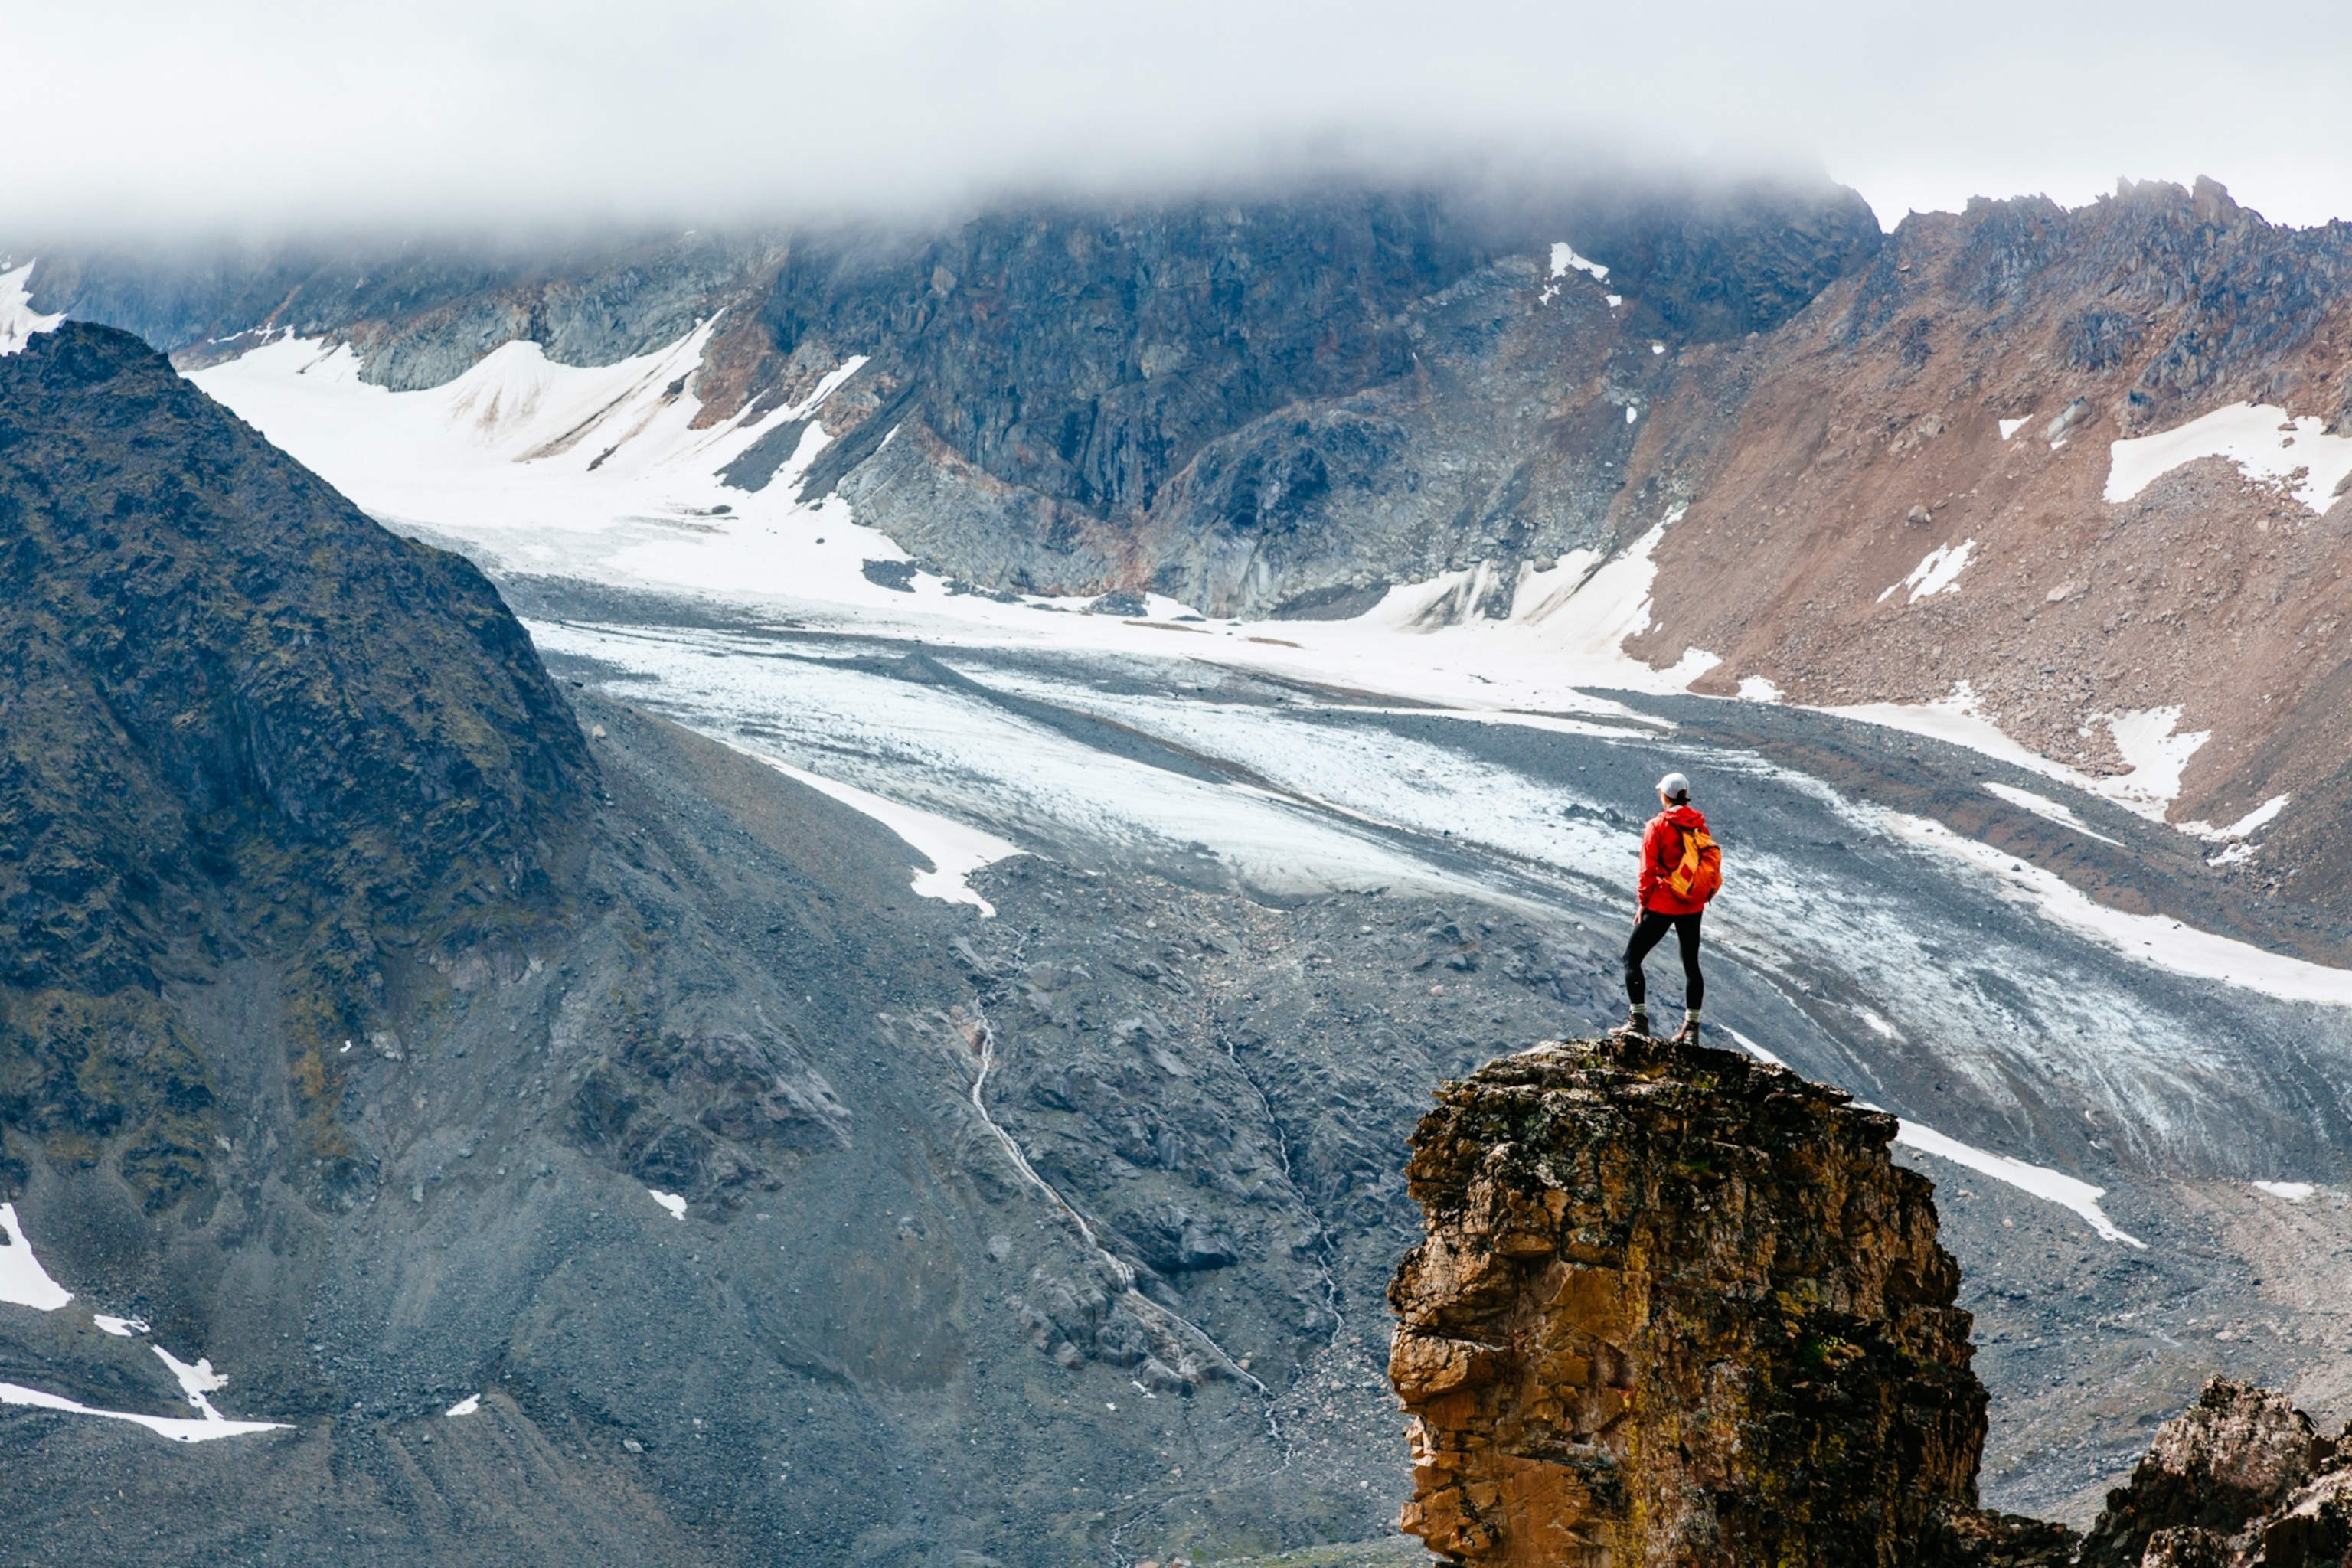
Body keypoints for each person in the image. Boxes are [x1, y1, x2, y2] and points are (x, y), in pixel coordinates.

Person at [1615, 771, 1718, 1044]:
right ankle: (1691, 1027)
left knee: (1631, 958)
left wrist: (1643, 903)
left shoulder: (1657, 826)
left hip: (1662, 902)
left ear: (1665, 796)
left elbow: (1647, 870)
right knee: (1691, 964)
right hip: (1692, 905)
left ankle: (1637, 1022)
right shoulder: (1699, 825)